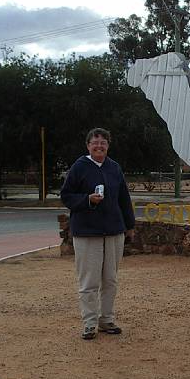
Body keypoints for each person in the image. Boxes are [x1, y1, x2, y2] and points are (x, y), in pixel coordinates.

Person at [60, 128, 135, 340]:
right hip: (87, 233)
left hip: (113, 231)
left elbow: (124, 198)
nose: (99, 146)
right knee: (89, 281)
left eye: (103, 142)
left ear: (108, 146)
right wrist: (87, 200)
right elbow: (66, 196)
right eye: (95, 142)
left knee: (110, 279)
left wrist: (129, 225)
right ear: (88, 145)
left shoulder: (114, 168)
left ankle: (107, 320)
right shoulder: (79, 167)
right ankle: (89, 323)